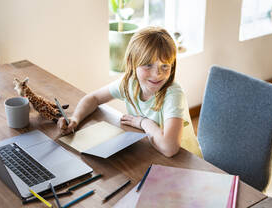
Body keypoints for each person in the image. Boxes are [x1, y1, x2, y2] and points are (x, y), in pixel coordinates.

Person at [58, 26, 199, 157]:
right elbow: (94, 98)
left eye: (165, 66)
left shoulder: (173, 94)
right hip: (153, 153)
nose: (157, 74)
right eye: (148, 65)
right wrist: (75, 119)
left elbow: (169, 148)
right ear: (133, 62)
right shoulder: (129, 83)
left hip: (186, 162)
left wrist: (143, 123)